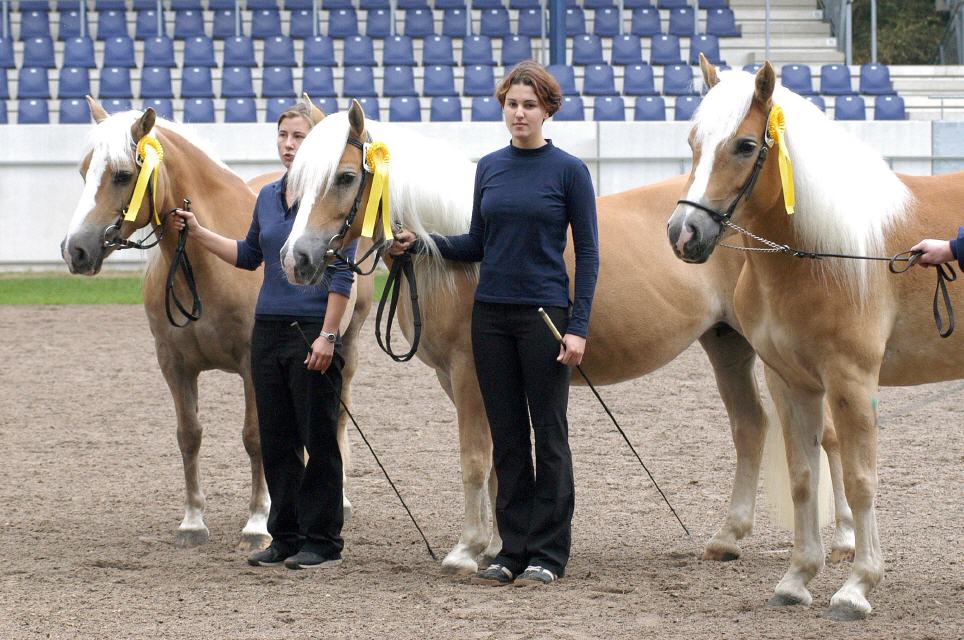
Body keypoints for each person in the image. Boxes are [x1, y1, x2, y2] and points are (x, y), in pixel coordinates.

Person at [391, 60, 599, 587]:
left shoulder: (570, 171)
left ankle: (549, 553)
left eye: (530, 105)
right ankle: (513, 549)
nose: (520, 113)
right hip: (491, 317)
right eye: (512, 104)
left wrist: (578, 326)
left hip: (543, 316)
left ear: (547, 109)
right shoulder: (489, 167)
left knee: (548, 436)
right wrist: (423, 244)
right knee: (506, 437)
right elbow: (476, 244)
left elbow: (590, 256)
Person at [172, 103, 355, 570]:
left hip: (313, 330)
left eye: (299, 136)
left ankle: (323, 540)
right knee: (276, 439)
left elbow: (342, 273)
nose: (289, 145)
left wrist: (329, 335)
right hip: (268, 328)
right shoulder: (269, 197)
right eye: (283, 136)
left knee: (318, 437)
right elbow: (250, 254)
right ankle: (285, 536)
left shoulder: (331, 199)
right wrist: (199, 233)